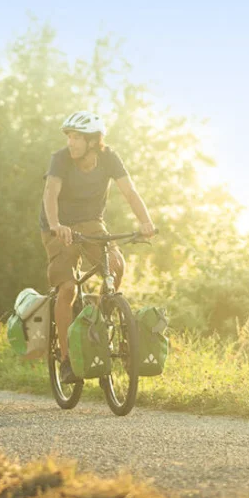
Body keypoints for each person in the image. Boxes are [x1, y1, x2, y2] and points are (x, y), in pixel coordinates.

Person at [41, 111, 155, 384]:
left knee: (116, 265)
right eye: (69, 136)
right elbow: (50, 193)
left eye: (77, 137)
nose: (71, 142)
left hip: (91, 222)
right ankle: (67, 360)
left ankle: (101, 316)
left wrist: (146, 222)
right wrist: (56, 224)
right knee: (67, 287)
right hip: (59, 227)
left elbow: (129, 192)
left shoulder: (109, 158)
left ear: (93, 141)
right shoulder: (60, 159)